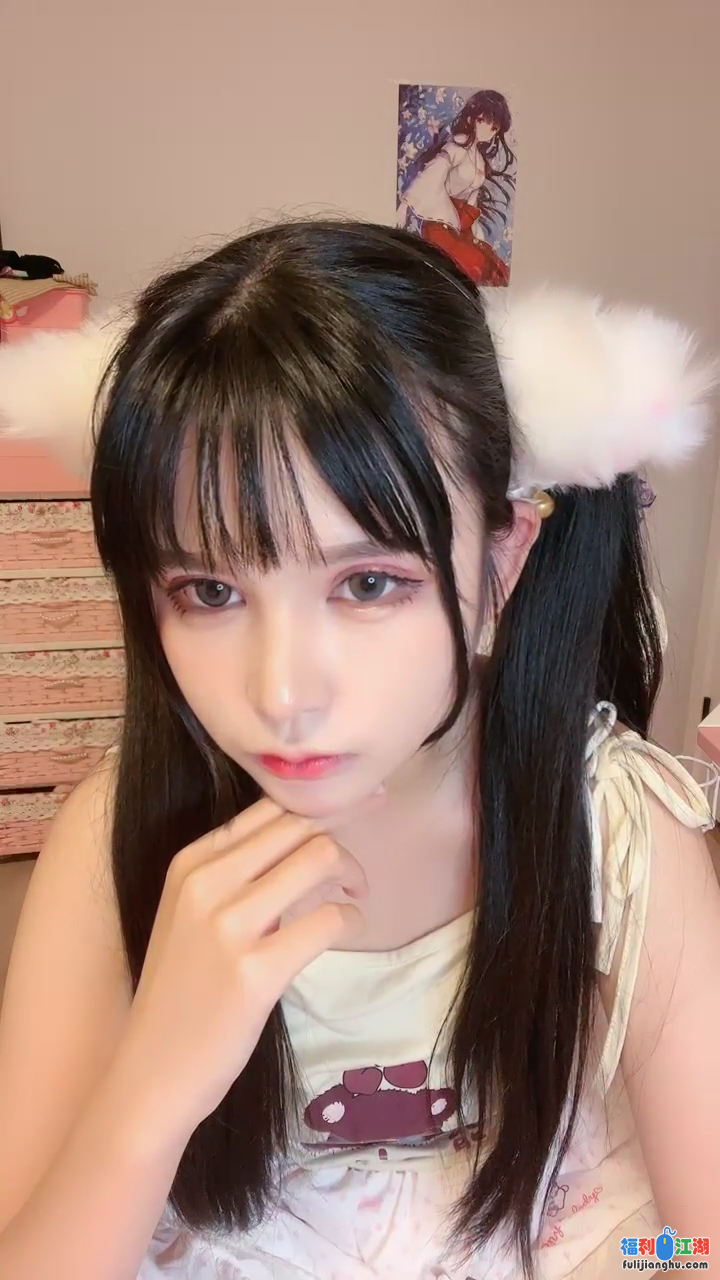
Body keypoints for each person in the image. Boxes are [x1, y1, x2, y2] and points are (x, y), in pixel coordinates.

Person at [0, 220, 717, 1280]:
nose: (283, 694)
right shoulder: (114, 843)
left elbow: (701, 1242)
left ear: (501, 562)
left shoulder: (616, 833)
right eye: (209, 591)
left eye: (369, 583)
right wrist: (153, 1083)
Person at [397, 89, 515, 285]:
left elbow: (472, 200)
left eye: (494, 128)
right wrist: (405, 204)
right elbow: (433, 172)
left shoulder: (480, 160)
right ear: (470, 118)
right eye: (482, 121)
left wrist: (474, 235)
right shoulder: (456, 147)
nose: (487, 130)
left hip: (461, 225)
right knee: (472, 264)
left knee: (492, 265)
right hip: (439, 221)